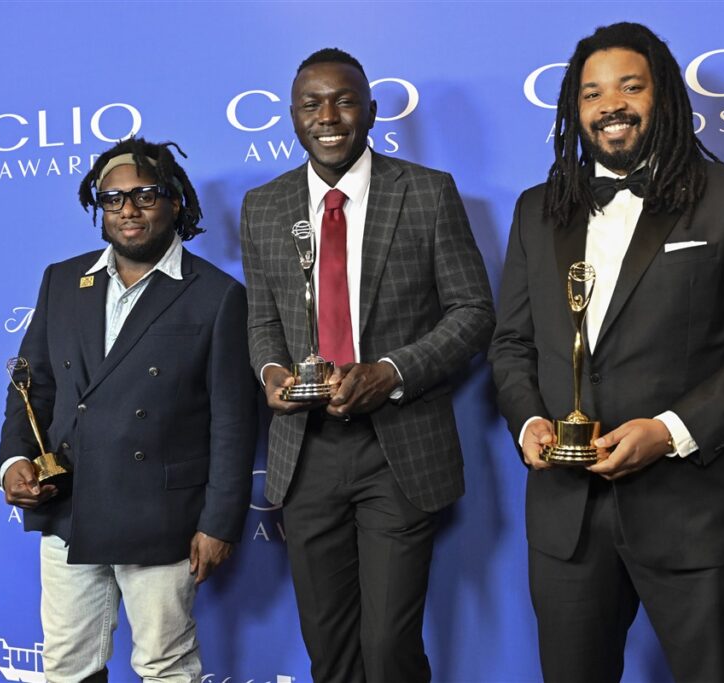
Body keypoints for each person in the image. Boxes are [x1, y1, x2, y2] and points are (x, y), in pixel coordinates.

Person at [489, 22, 724, 683]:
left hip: (694, 513)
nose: (610, 105)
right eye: (591, 93)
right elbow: (512, 343)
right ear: (574, 109)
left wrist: (668, 432)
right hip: (566, 521)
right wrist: (529, 422)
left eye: (630, 87)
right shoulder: (535, 210)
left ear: (662, 94)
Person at [240, 48, 494, 683]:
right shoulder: (263, 206)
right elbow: (263, 320)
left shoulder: (427, 192)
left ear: (372, 112)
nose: (327, 117)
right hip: (305, 453)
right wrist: (271, 373)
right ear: (293, 116)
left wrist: (392, 372)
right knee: (329, 654)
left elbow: (473, 312)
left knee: (387, 651)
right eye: (311, 104)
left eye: (344, 101)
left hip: (397, 448)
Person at [0, 138, 256, 683]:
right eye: (112, 199)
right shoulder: (62, 280)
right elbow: (32, 386)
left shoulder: (216, 295)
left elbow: (233, 422)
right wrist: (14, 460)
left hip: (161, 515)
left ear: (176, 202)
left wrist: (219, 523)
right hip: (70, 507)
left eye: (145, 195)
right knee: (67, 666)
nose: (128, 210)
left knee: (165, 665)